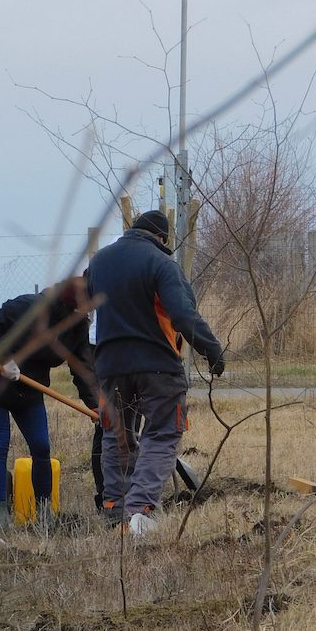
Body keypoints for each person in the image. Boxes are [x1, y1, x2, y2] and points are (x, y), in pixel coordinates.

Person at [86, 209, 225, 535]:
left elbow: (87, 303)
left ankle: (114, 509)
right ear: (162, 238)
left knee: (116, 436)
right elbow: (183, 314)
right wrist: (212, 352)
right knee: (161, 435)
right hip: (157, 366)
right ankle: (141, 512)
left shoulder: (99, 263)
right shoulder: (162, 264)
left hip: (109, 366)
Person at [0, 281, 98, 526]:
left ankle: (45, 514)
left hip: (28, 388)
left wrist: (95, 405)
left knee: (41, 447)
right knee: (0, 444)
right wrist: (4, 359)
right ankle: (0, 514)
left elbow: (82, 369)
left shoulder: (77, 326)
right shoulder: (29, 306)